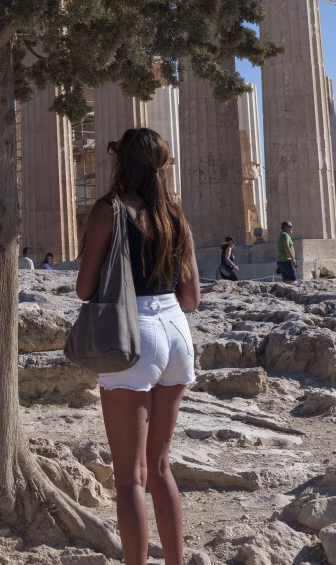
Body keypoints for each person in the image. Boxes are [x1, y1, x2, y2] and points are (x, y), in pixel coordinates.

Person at [75, 128, 199, 565]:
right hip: (177, 331)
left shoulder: (109, 211)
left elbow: (84, 288)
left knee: (129, 477)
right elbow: (192, 299)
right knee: (161, 467)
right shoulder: (176, 216)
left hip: (135, 333)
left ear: (120, 162)